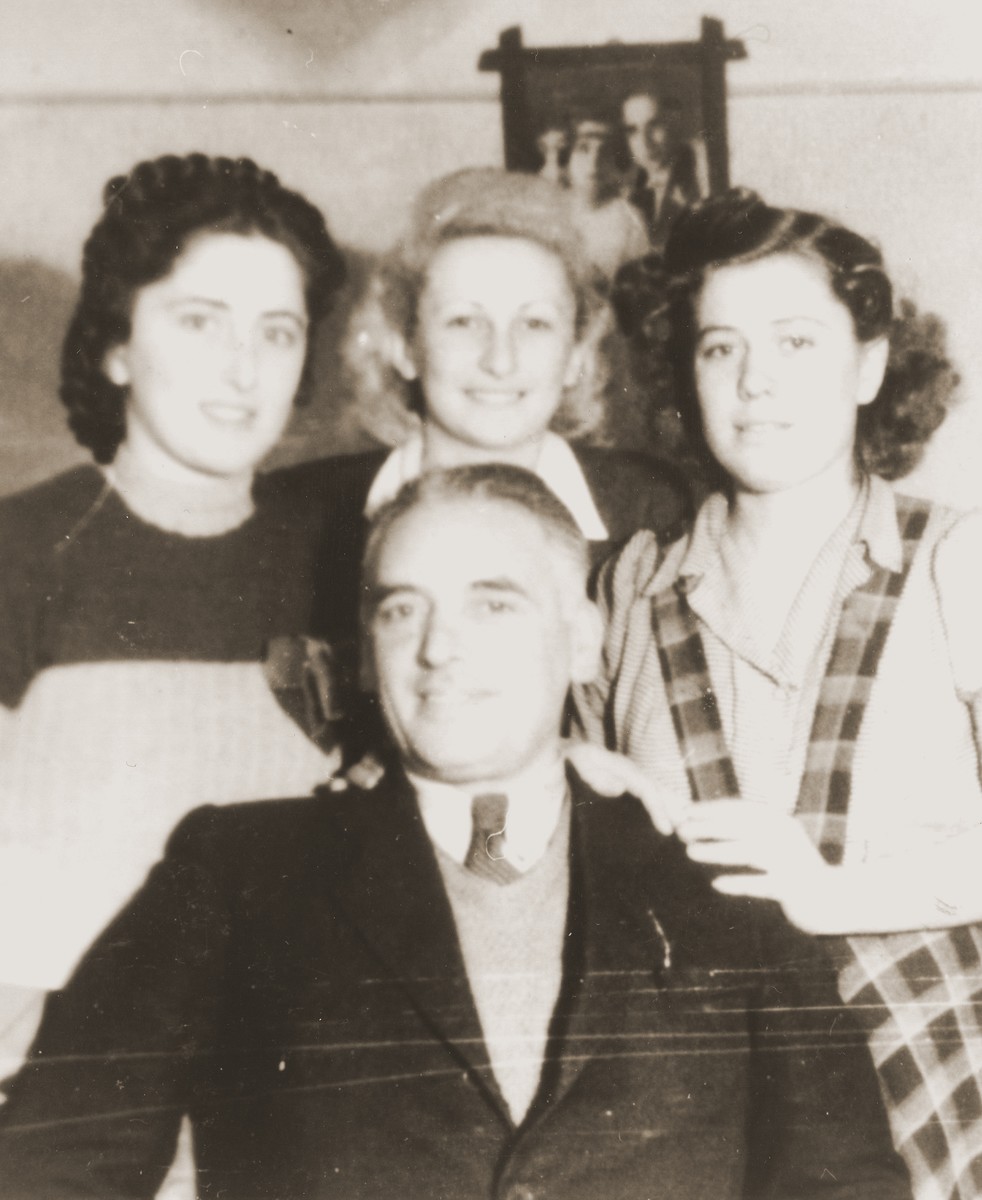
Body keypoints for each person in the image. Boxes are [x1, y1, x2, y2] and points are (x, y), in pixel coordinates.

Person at [0, 464, 912, 1199]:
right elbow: (52, 1166)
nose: (440, 648)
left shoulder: (727, 899)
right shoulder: (237, 873)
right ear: (366, 650)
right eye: (402, 608)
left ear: (586, 638)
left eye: (493, 602)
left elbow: (848, 1187)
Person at [578, 189, 978, 1198]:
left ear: (872, 364)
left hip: (939, 1105)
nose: (755, 382)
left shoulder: (957, 562)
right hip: (702, 1127)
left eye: (796, 342)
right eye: (720, 347)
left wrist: (836, 894)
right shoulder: (625, 589)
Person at [0, 154, 362, 1158]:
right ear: (116, 344)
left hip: (295, 1123)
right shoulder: (18, 552)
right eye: (198, 321)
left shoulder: (353, 560)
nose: (243, 369)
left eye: (276, 332)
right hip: (61, 1123)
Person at [335, 166, 692, 566]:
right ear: (404, 346)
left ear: (577, 354)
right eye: (464, 322)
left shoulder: (650, 510)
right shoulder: (307, 521)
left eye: (535, 323)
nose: (500, 361)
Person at [562, 117, 650, 279]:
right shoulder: (549, 213)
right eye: (583, 149)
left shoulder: (630, 221)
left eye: (604, 152)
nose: (594, 162)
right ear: (568, 161)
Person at [621, 91, 703, 249]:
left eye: (654, 126)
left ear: (675, 124)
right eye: (633, 130)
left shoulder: (700, 177)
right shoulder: (628, 190)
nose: (645, 142)